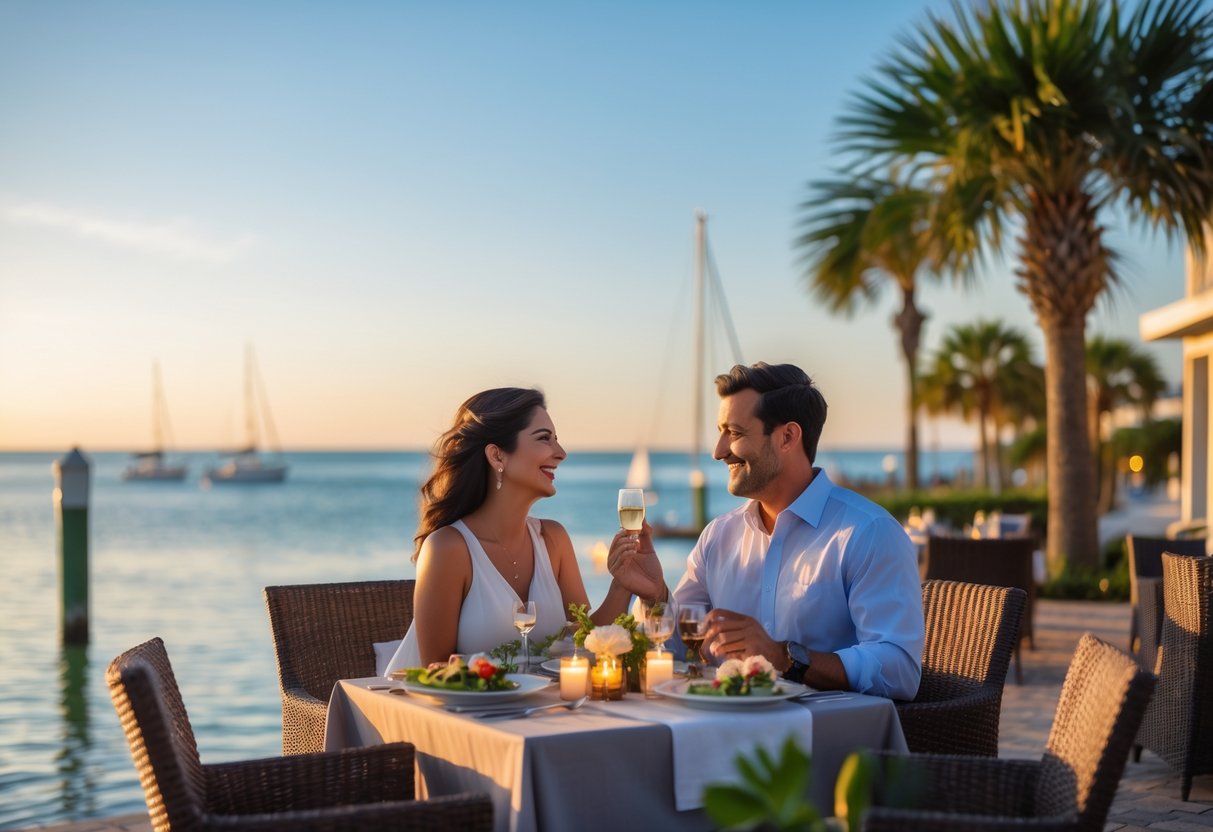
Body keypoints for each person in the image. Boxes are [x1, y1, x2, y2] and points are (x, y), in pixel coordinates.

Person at [613, 362, 923, 700]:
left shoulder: (869, 533)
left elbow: (899, 672)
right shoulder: (717, 537)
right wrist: (655, 596)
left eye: (734, 433)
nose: (718, 451)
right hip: (720, 727)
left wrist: (785, 657)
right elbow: (674, 654)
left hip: (823, 741)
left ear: (787, 437)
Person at [388, 387, 659, 670]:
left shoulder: (553, 540)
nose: (561, 453)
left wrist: (622, 584)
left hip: (541, 710)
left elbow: (585, 645)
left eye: (557, 440)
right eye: (544, 439)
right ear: (497, 456)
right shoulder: (448, 548)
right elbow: (438, 674)